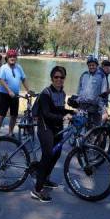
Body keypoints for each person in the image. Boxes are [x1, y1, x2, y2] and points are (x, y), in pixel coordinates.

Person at [31, 66, 72, 203]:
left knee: (57, 153)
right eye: (56, 77)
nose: (59, 79)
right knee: (48, 154)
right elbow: (48, 113)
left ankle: (45, 178)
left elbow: (58, 109)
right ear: (52, 78)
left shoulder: (62, 93)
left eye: (61, 77)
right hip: (45, 126)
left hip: (56, 127)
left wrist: (71, 112)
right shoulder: (45, 93)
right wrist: (64, 117)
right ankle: (37, 190)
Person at [0, 49, 33, 138]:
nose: (12, 58)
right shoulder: (3, 67)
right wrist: (9, 90)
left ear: (16, 58)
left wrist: (28, 90)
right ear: (7, 57)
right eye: (10, 56)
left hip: (15, 95)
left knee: (14, 115)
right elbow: (1, 80)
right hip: (4, 94)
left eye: (14, 56)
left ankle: (10, 133)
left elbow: (23, 79)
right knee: (1, 115)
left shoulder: (19, 67)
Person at [76, 56, 108, 126]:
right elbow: (79, 88)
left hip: (95, 106)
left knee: (95, 128)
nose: (91, 67)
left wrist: (102, 106)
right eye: (89, 65)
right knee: (80, 126)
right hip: (82, 105)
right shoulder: (84, 74)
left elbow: (104, 91)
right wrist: (78, 98)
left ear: (97, 65)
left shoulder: (102, 76)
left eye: (93, 65)